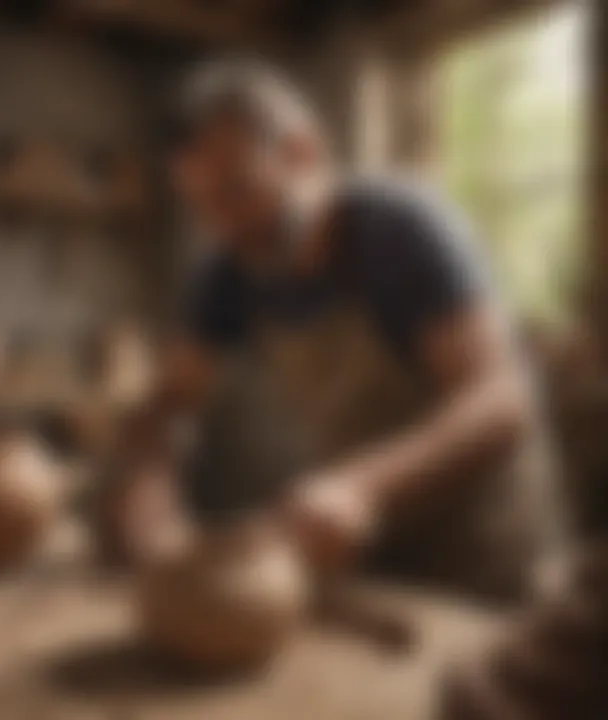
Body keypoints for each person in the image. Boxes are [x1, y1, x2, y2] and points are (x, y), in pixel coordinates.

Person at [123, 61, 562, 603]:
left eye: (237, 191)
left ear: (301, 153)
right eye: (202, 205)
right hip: (376, 540)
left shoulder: (401, 230)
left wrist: (360, 485)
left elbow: (502, 398)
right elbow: (167, 405)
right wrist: (149, 490)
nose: (223, 225)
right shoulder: (228, 272)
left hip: (480, 542)